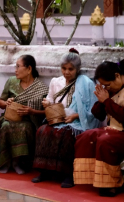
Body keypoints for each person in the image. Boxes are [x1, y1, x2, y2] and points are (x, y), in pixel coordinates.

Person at [73, 60, 124, 197]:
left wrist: (107, 101)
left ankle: (113, 184)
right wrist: (101, 101)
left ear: (117, 76)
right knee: (86, 136)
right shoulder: (113, 89)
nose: (106, 88)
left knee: (105, 141)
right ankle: (94, 178)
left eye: (108, 84)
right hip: (115, 130)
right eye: (104, 85)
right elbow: (98, 115)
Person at [32, 49, 99, 187]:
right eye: (64, 68)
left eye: (70, 69)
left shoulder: (86, 83)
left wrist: (75, 115)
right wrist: (47, 104)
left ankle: (68, 174)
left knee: (66, 134)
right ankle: (45, 170)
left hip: (78, 122)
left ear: (77, 69)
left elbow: (93, 109)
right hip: (57, 119)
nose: (67, 72)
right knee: (42, 131)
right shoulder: (56, 82)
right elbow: (50, 100)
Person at [0, 55, 48, 175]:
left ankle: (18, 162)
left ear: (29, 69)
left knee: (24, 128)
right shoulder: (11, 82)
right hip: (10, 117)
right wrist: (7, 103)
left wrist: (32, 111)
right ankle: (6, 162)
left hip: (29, 121)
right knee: (5, 125)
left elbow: (47, 112)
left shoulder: (41, 88)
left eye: (18, 66)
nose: (15, 70)